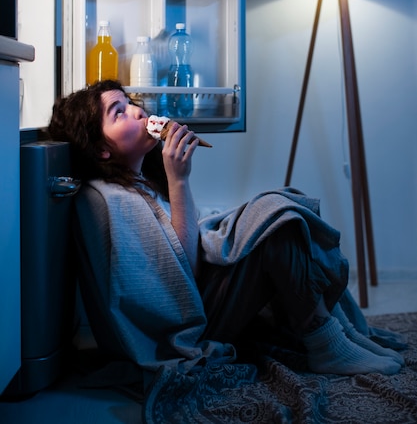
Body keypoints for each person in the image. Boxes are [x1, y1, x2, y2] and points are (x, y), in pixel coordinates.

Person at [48, 79, 405, 383]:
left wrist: (218, 220)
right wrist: (179, 179)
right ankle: (327, 346)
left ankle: (344, 334)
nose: (138, 112)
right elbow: (179, 277)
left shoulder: (142, 181)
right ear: (100, 149)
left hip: (204, 299)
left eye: (130, 104)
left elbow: (183, 242)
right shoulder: (110, 200)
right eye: (119, 113)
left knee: (280, 206)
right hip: (190, 325)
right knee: (275, 223)